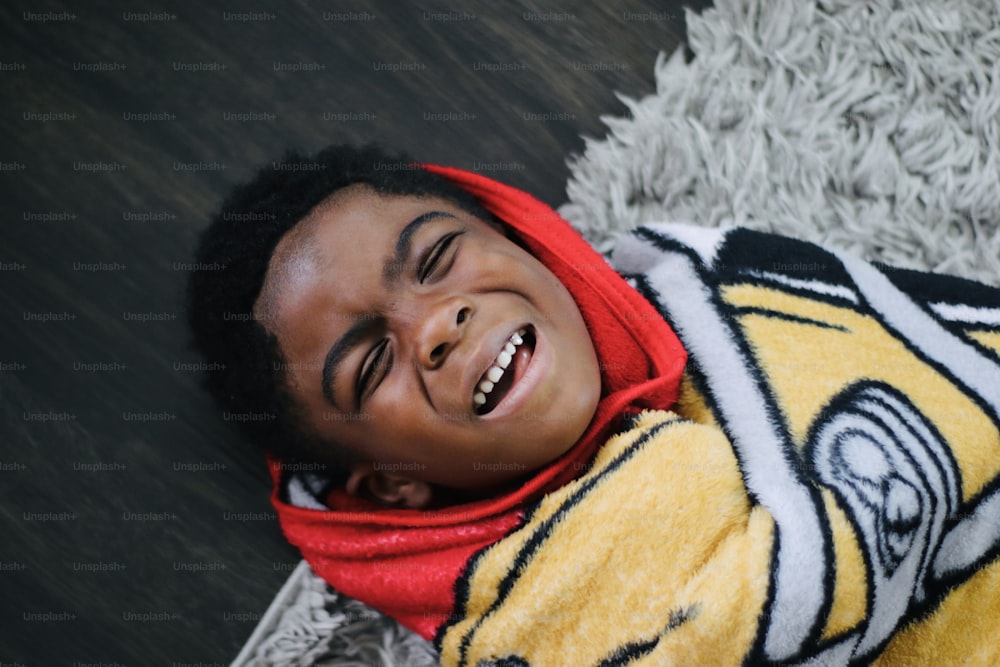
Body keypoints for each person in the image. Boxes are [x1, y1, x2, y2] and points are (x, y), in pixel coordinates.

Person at [189, 144, 1000, 666]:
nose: (436, 324)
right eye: (371, 364)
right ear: (394, 486)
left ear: (522, 239)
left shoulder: (713, 284)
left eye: (436, 256)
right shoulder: (523, 619)